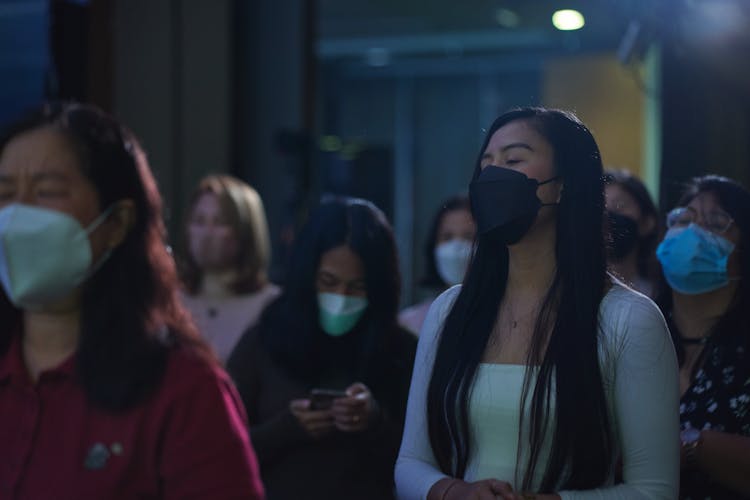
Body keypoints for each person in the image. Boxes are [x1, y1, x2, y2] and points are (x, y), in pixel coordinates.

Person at [395, 107, 679, 500]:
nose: (492, 175)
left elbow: (655, 490)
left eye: (512, 160)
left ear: (563, 184)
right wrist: (452, 491)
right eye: (486, 163)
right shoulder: (449, 311)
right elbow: (410, 463)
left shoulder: (627, 319)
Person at [0, 102, 264, 500]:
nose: (18, 216)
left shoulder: (184, 391)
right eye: (4, 194)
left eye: (47, 192)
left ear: (117, 222)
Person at [227, 197, 417, 500]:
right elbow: (219, 450)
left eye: (357, 287)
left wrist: (373, 421)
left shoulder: (401, 351)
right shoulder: (265, 341)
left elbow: (422, 463)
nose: (341, 297)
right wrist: (285, 429)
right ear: (307, 276)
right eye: (328, 282)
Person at [655, 175, 750, 499]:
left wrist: (694, 445)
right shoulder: (633, 333)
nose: (693, 232)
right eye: (683, 219)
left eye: (716, 222)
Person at [180, 174, 280, 363]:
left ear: (245, 230)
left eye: (219, 222)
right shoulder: (172, 301)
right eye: (199, 221)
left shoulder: (270, 307)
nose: (206, 234)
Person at [399, 195, 476, 336]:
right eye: (447, 237)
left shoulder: (506, 318)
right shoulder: (409, 325)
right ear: (433, 247)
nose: (456, 247)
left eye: (468, 237)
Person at [604, 168, 661, 298]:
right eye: (600, 207)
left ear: (647, 222)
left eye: (620, 206)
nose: (608, 215)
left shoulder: (659, 296)